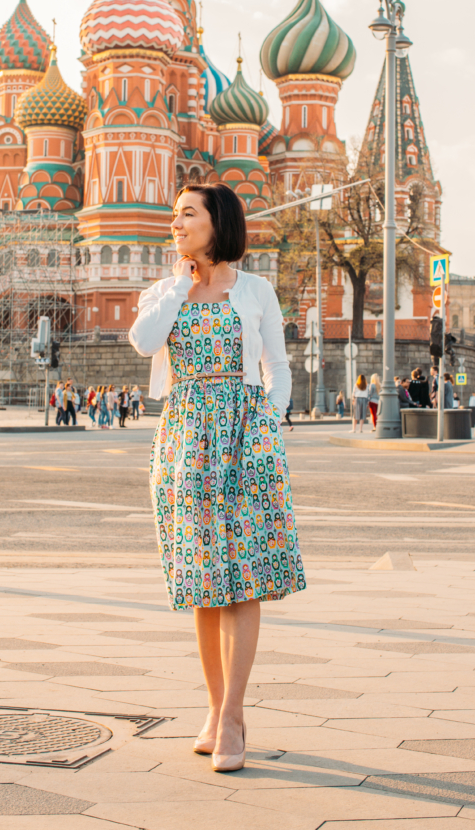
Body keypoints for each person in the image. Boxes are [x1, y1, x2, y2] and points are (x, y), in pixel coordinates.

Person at [129, 181, 304, 773]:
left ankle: (233, 715)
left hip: (245, 438)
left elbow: (277, 366)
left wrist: (269, 421)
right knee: (204, 579)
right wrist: (181, 283)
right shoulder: (164, 291)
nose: (176, 223)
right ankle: (213, 708)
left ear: (217, 221)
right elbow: (144, 342)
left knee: (245, 576)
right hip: (185, 441)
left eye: (187, 214)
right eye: (175, 215)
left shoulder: (255, 290)